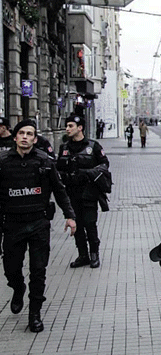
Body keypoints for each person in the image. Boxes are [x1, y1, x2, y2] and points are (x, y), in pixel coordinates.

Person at [0, 119, 76, 332]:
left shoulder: (45, 161)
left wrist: (70, 216)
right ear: (15, 137)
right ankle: (17, 288)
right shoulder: (3, 162)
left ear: (35, 139)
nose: (25, 137)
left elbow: (60, 191)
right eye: (21, 133)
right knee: (11, 268)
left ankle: (35, 313)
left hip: (38, 223)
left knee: (38, 270)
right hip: (12, 224)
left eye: (29, 134)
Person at [57, 114, 110, 269]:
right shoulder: (64, 148)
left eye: (71, 126)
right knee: (77, 225)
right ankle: (83, 255)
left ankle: (94, 254)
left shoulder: (93, 146)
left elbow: (104, 164)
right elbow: (58, 169)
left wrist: (89, 173)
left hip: (89, 193)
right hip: (71, 193)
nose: (67, 129)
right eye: (67, 126)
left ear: (80, 128)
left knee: (90, 224)